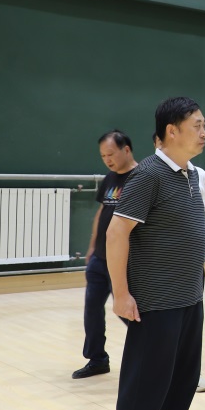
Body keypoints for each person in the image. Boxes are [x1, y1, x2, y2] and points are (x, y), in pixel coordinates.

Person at [106, 97, 205, 410]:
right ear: (172, 130)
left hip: (189, 297)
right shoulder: (148, 174)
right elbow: (116, 233)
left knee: (182, 379)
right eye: (197, 125)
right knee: (145, 385)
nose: (204, 133)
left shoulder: (194, 176)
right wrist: (120, 294)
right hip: (155, 301)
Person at [72, 130, 137, 379]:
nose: (107, 160)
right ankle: (97, 359)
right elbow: (102, 212)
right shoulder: (110, 178)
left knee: (126, 311)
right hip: (100, 258)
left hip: (122, 259)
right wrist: (92, 247)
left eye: (110, 154)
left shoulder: (141, 178)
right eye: (103, 156)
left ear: (126, 150)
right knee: (92, 311)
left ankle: (159, 353)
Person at [153, 132, 205, 395]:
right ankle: (161, 377)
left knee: (190, 328)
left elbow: (197, 219)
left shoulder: (200, 176)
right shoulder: (150, 175)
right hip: (161, 272)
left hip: (192, 268)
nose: (202, 133)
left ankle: (189, 374)